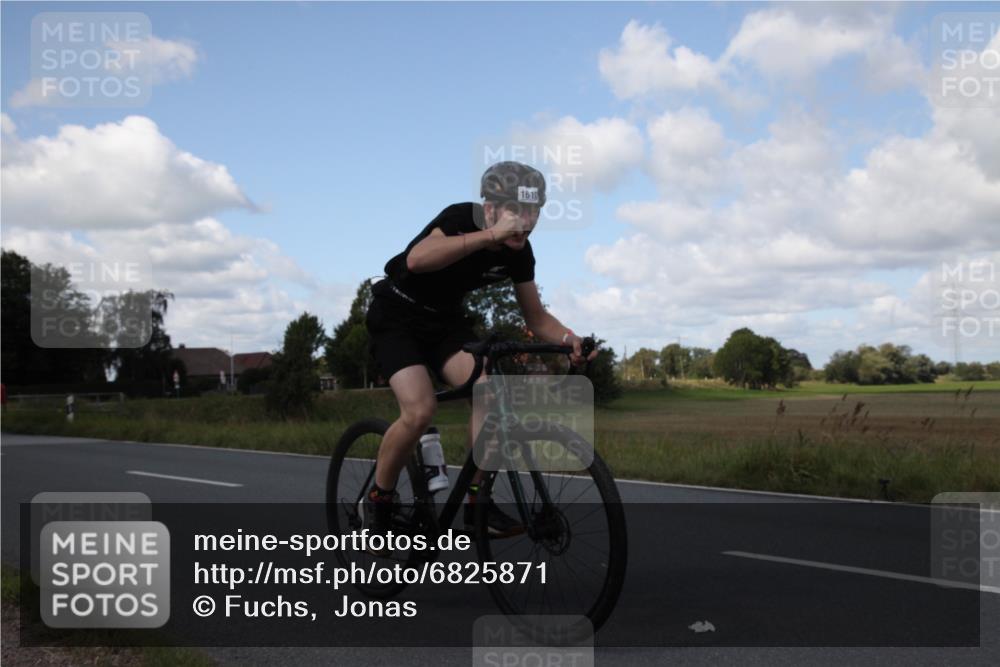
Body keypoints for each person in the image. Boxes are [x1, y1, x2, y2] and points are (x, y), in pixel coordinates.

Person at [362, 161, 597, 547]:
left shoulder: (520, 253)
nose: (526, 221)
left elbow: (536, 317)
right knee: (420, 410)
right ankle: (379, 501)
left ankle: (476, 508)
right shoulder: (461, 218)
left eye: (534, 211)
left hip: (445, 325)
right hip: (397, 316)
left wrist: (570, 338)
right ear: (489, 209)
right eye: (515, 211)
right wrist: (488, 236)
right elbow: (417, 260)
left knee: (488, 391)